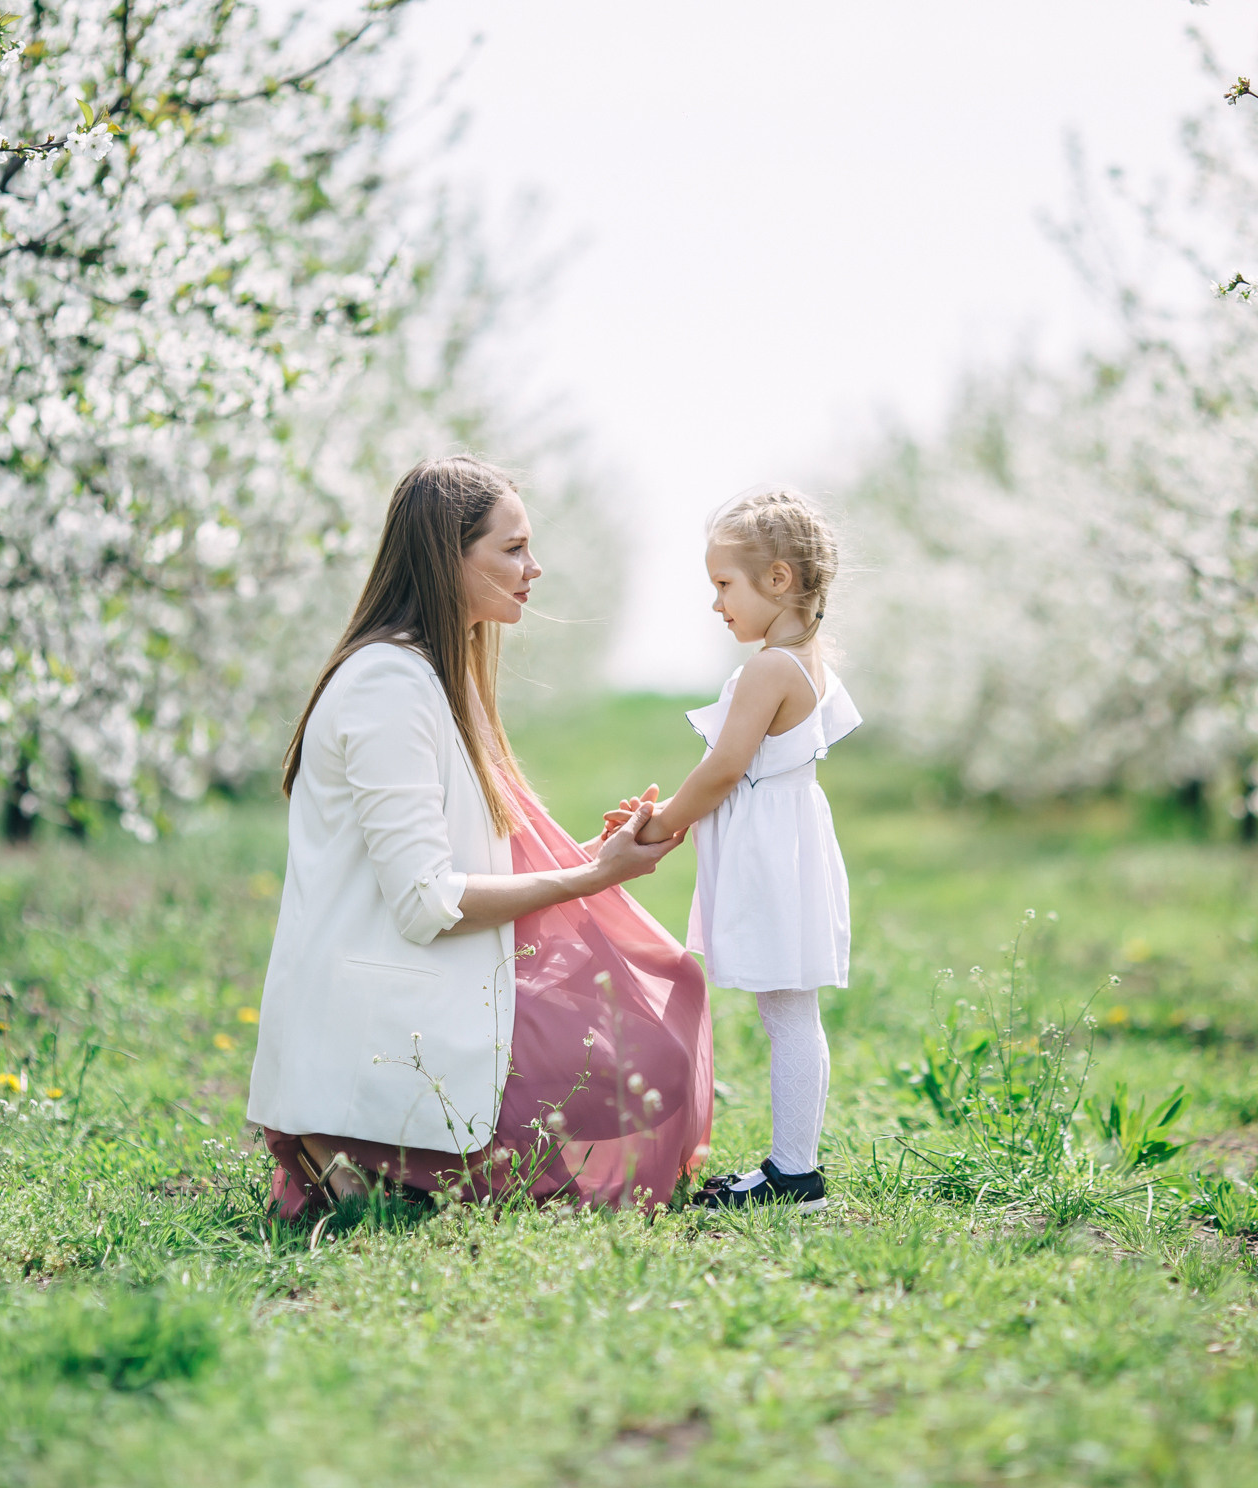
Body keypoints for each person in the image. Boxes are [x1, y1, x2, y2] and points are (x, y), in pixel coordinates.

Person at [246, 456, 713, 1214]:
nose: (536, 567)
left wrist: (598, 857)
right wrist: (595, 879)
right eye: (513, 548)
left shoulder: (435, 675)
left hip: (443, 970)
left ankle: (382, 1163)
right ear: (446, 555)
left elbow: (470, 855)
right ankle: (339, 1144)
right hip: (396, 990)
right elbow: (425, 900)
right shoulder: (387, 686)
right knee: (647, 1054)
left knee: (661, 1015)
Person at [619, 488, 858, 1211]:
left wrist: (659, 827)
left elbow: (725, 768)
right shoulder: (803, 661)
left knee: (787, 1012)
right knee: (789, 1010)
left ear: (778, 580)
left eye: (725, 584)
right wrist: (663, 812)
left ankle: (795, 1175)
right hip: (784, 842)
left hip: (772, 854)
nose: (715, 602)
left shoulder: (770, 669)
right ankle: (793, 1168)